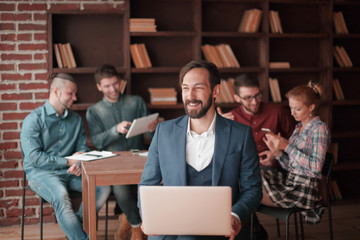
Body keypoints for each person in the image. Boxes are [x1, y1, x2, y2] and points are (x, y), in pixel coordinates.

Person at [138, 60, 262, 240]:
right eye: (185, 88)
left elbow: (253, 188)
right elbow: (147, 184)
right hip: (170, 230)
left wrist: (234, 216)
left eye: (198, 88)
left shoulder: (240, 134)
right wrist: (148, 217)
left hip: (220, 230)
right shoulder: (163, 132)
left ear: (215, 91)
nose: (190, 95)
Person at [20, 73, 111, 240]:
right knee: (62, 197)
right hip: (41, 174)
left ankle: (74, 229)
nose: (75, 98)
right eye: (71, 93)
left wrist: (79, 163)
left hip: (71, 172)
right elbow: (34, 158)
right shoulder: (33, 120)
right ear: (56, 91)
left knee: (103, 188)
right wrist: (69, 161)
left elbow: (81, 148)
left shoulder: (76, 119)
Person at [217, 74, 295, 239]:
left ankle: (252, 231)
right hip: (247, 174)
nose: (254, 101)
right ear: (237, 97)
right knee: (228, 183)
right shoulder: (230, 118)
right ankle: (253, 230)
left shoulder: (277, 111)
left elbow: (297, 144)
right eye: (247, 98)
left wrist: (276, 154)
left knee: (236, 187)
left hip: (277, 173)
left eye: (257, 95)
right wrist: (217, 130)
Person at [86, 64, 157, 240]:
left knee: (155, 186)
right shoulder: (94, 111)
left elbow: (150, 135)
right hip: (113, 162)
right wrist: (114, 130)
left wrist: (151, 128)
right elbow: (96, 141)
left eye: (115, 84)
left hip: (139, 158)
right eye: (107, 86)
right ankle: (137, 228)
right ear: (99, 87)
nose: (113, 89)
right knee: (121, 189)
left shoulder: (136, 101)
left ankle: (132, 222)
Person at [261, 81, 330, 224]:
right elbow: (291, 166)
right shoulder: (298, 128)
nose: (292, 113)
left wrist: (287, 147)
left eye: (297, 109)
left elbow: (316, 166)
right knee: (249, 175)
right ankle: (252, 230)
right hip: (290, 181)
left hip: (304, 188)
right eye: (291, 108)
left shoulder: (319, 129)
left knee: (249, 190)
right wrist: (277, 152)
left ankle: (252, 231)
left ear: (311, 107)